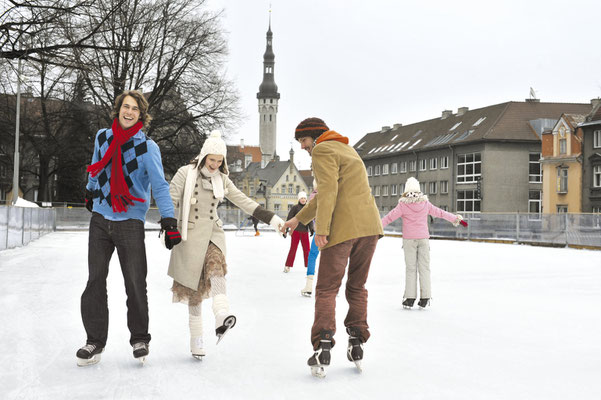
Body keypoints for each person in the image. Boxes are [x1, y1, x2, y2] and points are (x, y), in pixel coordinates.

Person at [77, 90, 181, 367]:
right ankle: (94, 341)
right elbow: (96, 169)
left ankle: (140, 338)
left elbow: (159, 185)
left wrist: (169, 221)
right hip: (100, 218)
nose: (129, 112)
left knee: (135, 282)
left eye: (135, 108)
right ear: (118, 109)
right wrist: (89, 192)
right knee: (95, 281)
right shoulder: (103, 137)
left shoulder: (147, 147)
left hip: (130, 222)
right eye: (126, 106)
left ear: (141, 115)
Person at [167, 130, 285, 359]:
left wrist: (272, 218)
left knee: (217, 267)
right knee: (194, 292)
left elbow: (244, 200)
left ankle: (221, 314)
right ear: (203, 157)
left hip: (213, 232)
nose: (215, 165)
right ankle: (197, 339)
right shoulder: (185, 174)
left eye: (219, 161)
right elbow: (169, 198)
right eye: (212, 160)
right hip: (188, 235)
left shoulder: (222, 179)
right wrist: (169, 226)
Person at [281, 117, 383, 378]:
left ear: (315, 137)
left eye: (303, 141)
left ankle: (323, 344)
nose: (303, 147)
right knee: (357, 286)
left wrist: (322, 230)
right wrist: (298, 219)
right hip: (369, 228)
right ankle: (357, 342)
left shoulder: (322, 150)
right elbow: (331, 191)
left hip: (343, 230)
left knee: (326, 288)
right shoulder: (347, 150)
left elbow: (327, 192)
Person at [381, 176, 467, 309]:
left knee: (411, 268)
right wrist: (457, 219)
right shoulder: (425, 204)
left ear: (406, 190)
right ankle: (425, 297)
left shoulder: (403, 205)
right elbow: (441, 213)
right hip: (423, 239)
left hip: (409, 240)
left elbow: (389, 217)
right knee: (424, 268)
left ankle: (410, 298)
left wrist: (375, 227)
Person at [283, 191, 314, 273]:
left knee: (307, 250)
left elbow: (310, 219)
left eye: (304, 198)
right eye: (301, 198)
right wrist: (286, 229)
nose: (303, 200)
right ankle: (287, 266)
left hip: (304, 232)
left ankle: (309, 267)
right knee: (293, 249)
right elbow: (289, 218)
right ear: (299, 199)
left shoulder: (308, 208)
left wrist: (311, 229)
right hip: (295, 231)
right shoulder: (295, 208)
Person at [301, 185, 319, 297]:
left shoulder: (314, 195)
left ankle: (308, 286)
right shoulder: (335, 192)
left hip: (320, 231)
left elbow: (310, 214)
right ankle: (332, 287)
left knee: (312, 256)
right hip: (335, 232)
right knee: (331, 258)